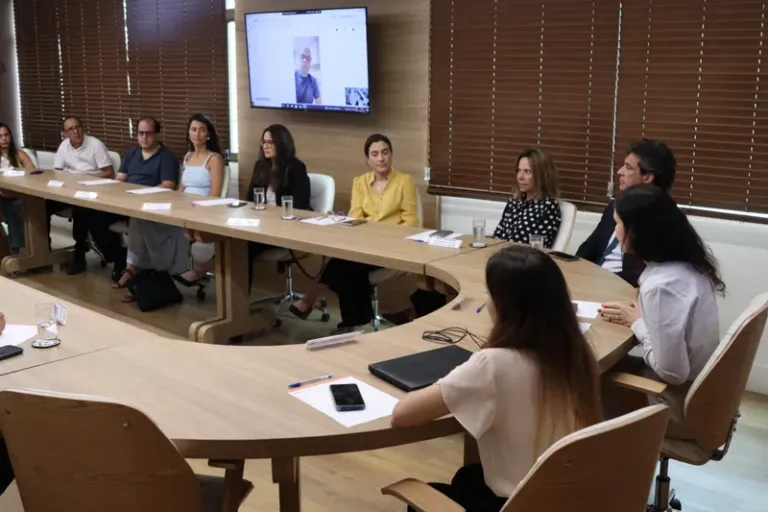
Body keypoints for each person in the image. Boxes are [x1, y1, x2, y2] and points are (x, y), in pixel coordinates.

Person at [391, 245, 602, 512]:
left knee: (425, 499)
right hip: (565, 498)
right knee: (467, 478)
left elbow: (402, 415)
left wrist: (453, 380)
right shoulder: (577, 352)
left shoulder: (492, 365)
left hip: (516, 503)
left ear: (504, 305)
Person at [599, 184, 724, 438]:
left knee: (581, 383)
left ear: (637, 231)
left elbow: (672, 373)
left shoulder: (661, 287)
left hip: (674, 405)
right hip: (705, 399)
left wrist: (638, 323)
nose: (615, 231)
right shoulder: (689, 266)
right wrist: (645, 319)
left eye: (619, 223)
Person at [290, 133, 418, 331]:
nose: (381, 158)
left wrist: (383, 235)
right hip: (363, 244)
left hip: (390, 246)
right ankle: (353, 324)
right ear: (368, 159)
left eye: (385, 153)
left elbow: (410, 222)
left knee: (344, 264)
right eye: (375, 154)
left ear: (391, 155)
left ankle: (315, 299)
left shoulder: (404, 181)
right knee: (348, 264)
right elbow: (355, 217)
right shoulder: (360, 182)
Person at [577, 139, 677, 287]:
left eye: (628, 168)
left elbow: (640, 274)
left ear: (647, 177)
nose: (619, 172)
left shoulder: (661, 218)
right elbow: (590, 247)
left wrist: (598, 279)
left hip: (623, 290)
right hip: (595, 281)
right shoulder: (616, 205)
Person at [112, 117, 183, 292]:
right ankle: (119, 260)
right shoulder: (131, 154)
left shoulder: (166, 157)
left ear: (156, 134)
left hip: (153, 205)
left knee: (138, 219)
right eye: (140, 133)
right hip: (126, 202)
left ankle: (133, 267)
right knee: (92, 215)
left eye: (148, 133)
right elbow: (119, 179)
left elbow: (168, 185)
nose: (144, 137)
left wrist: (142, 194)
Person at [51, 116, 120, 276]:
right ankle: (43, 250)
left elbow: (109, 173)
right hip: (70, 191)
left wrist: (84, 179)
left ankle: (79, 253)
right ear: (65, 134)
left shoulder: (95, 144)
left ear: (83, 128)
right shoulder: (64, 146)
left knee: (81, 212)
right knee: (44, 205)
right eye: (71, 129)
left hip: (92, 191)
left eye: (78, 127)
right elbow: (57, 172)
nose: (76, 131)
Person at [171, 114, 227, 290]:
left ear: (208, 134)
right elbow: (182, 188)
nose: (197, 134)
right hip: (184, 208)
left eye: (202, 130)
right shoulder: (187, 157)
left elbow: (214, 195)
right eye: (193, 129)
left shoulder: (214, 159)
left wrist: (190, 217)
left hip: (203, 210)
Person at [492, 147, 561, 247]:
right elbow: (497, 236)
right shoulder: (514, 203)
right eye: (519, 170)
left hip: (523, 261)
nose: (520, 177)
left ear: (542, 175)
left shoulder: (548, 206)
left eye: (527, 171)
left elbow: (538, 250)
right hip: (500, 256)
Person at [0, 122, 35, 255]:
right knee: (13, 208)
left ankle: (22, 251)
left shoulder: (19, 154)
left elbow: (33, 172)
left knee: (19, 206)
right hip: (2, 196)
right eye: (0, 136)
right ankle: (14, 250)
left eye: (6, 135)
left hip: (19, 194)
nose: (4, 138)